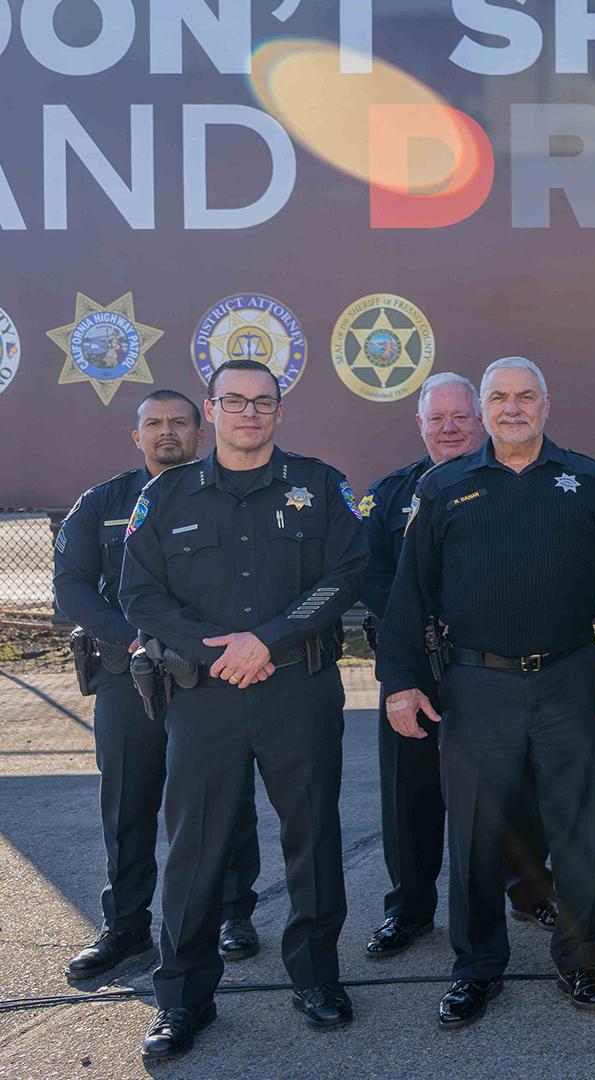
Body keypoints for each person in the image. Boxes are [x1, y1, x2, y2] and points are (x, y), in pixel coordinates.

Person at [379, 357, 595, 1029]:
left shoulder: (588, 482)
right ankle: (475, 968)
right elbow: (407, 597)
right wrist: (401, 682)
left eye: (526, 396)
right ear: (485, 408)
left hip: (568, 678)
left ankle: (583, 960)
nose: (513, 408)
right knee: (474, 833)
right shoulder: (445, 487)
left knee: (579, 828)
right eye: (499, 397)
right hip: (475, 686)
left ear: (546, 406)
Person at [120, 360, 367, 1062]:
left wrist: (271, 639)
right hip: (204, 696)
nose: (249, 413)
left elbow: (346, 574)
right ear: (212, 408)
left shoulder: (319, 486)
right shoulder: (166, 495)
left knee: (313, 838)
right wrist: (218, 650)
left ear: (279, 412)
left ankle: (317, 979)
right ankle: (183, 999)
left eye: (263, 402)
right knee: (195, 849)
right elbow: (141, 596)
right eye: (235, 401)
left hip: (297, 689)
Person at [55, 390, 261, 983]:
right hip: (130, 677)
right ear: (135, 436)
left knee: (226, 799)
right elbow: (72, 587)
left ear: (202, 431)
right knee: (128, 804)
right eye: (154, 424)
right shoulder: (102, 503)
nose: (166, 433)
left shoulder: (227, 494)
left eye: (178, 423)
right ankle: (125, 929)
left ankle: (232, 914)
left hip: (211, 677)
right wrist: (133, 639)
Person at [360, 373, 558, 960]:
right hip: (415, 671)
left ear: (481, 421)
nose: (449, 428)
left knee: (516, 791)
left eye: (461, 417)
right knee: (410, 794)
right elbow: (369, 577)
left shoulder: (513, 483)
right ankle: (411, 908)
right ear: (418, 424)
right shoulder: (389, 495)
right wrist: (421, 629)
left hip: (492, 669)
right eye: (436, 418)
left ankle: (528, 892)